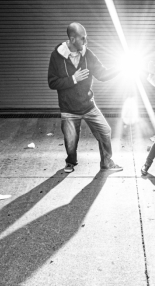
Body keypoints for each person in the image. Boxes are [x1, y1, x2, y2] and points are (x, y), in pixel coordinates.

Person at [48, 22, 123, 173]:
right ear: (72, 39)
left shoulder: (87, 54)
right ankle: (70, 162)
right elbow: (52, 82)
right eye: (83, 38)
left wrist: (121, 68)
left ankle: (106, 162)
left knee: (105, 131)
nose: (86, 41)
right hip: (68, 108)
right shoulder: (57, 56)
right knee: (70, 141)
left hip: (88, 105)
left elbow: (102, 74)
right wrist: (73, 79)